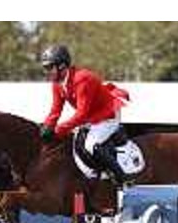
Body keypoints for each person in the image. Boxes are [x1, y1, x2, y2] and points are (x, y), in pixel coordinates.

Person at [40, 45, 131, 185]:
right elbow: (55, 110)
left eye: (49, 67)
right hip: (90, 116)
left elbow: (81, 114)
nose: (47, 72)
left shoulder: (82, 79)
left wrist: (58, 130)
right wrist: (46, 126)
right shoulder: (57, 84)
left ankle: (122, 177)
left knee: (91, 144)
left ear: (62, 66)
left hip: (107, 115)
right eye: (45, 68)